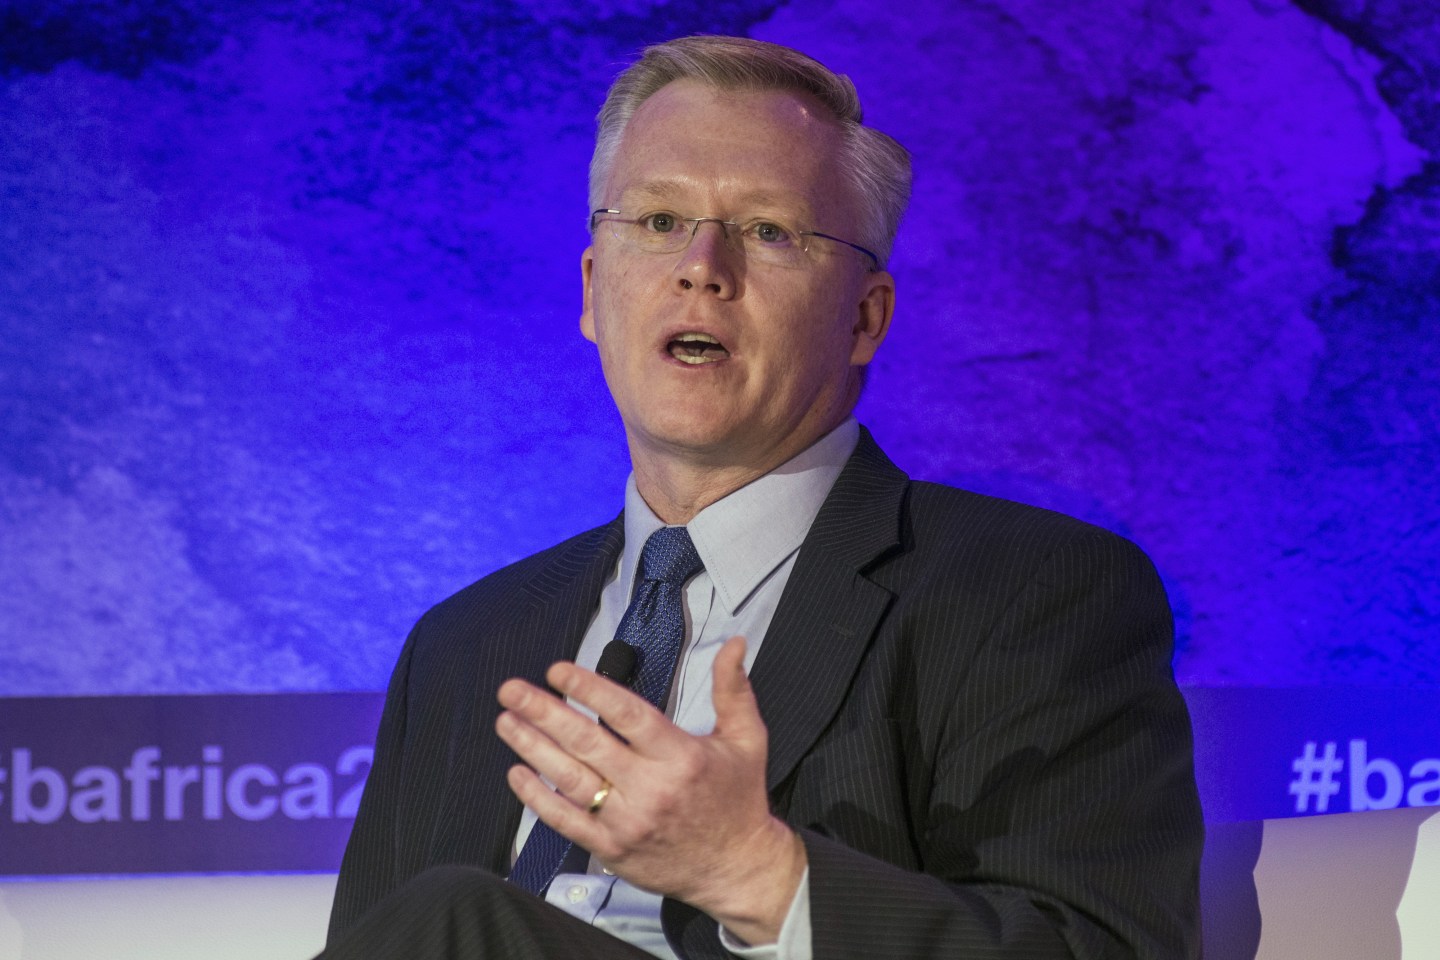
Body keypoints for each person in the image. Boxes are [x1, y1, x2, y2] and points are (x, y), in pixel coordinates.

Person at [322, 35, 1203, 960]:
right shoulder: (462, 645)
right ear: (591, 290)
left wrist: (751, 872)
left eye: (769, 232)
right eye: (659, 220)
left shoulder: (1030, 593)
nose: (702, 266)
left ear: (864, 317)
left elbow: (1101, 946)